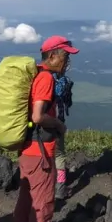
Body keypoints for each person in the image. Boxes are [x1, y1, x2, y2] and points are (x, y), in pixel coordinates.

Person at [13, 35, 79, 222]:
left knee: (26, 202)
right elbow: (37, 116)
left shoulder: (38, 75)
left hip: (28, 149)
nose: (67, 61)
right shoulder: (46, 79)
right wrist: (59, 125)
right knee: (43, 206)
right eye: (65, 56)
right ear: (52, 56)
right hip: (40, 153)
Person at [52, 67, 74, 200]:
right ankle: (60, 189)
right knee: (59, 156)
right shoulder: (63, 82)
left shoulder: (43, 80)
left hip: (43, 125)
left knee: (46, 156)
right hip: (58, 123)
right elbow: (67, 103)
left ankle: (47, 185)